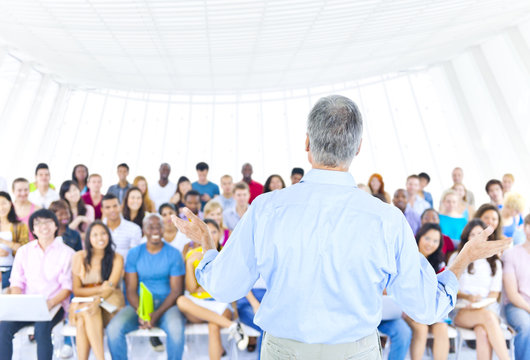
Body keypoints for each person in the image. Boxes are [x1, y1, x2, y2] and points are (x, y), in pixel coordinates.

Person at [172, 95, 510, 359]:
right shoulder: (386, 218)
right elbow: (426, 307)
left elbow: (224, 285)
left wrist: (208, 246)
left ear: (307, 143)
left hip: (283, 352)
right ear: (358, 147)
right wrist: (460, 262)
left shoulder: (266, 209)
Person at [106, 214, 186, 360]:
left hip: (167, 307)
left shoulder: (174, 254)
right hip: (139, 306)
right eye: (150, 227)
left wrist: (155, 315)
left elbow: (176, 291)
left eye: (158, 227)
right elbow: (130, 289)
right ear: (144, 230)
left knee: (176, 329)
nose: (155, 231)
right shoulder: (134, 254)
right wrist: (143, 313)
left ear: (163, 230)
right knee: (113, 329)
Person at [0, 209, 74, 360]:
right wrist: (18, 302)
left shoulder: (67, 253)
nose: (43, 226)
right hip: (26, 306)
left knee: (42, 329)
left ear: (55, 226)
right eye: (38, 223)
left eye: (47, 222)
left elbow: (67, 287)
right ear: (33, 229)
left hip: (54, 305)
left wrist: (50, 303)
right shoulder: (24, 251)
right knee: (3, 327)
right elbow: (16, 282)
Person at [177, 219, 248, 359]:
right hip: (199, 305)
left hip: (220, 303)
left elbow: (227, 286)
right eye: (205, 232)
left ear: (220, 233)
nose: (210, 236)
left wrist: (204, 287)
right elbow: (191, 289)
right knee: (181, 300)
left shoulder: (227, 254)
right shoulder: (193, 254)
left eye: (213, 232)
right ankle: (232, 326)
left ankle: (229, 325)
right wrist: (190, 263)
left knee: (213, 326)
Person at [449, 220, 510, 360]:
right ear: (467, 238)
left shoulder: (495, 263)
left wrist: (479, 304)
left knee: (482, 331)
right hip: (462, 309)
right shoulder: (456, 257)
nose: (477, 238)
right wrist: (469, 298)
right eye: (473, 234)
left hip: (487, 308)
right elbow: (450, 287)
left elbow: (494, 295)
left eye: (480, 234)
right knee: (487, 318)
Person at [70, 221, 124, 360]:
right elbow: (77, 290)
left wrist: (98, 299)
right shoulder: (79, 257)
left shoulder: (116, 257)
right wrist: (100, 288)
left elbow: (111, 287)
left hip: (109, 301)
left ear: (109, 236)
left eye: (103, 234)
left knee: (88, 312)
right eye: (95, 235)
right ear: (88, 238)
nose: (100, 238)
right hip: (85, 302)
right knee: (85, 314)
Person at [404, 223, 449, 360]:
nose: (430, 244)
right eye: (427, 238)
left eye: (435, 241)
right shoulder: (407, 257)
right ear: (419, 237)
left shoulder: (439, 264)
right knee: (421, 329)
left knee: (442, 328)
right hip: (408, 307)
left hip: (430, 308)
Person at [502, 214, 530, 360]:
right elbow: (512, 294)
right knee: (527, 328)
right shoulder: (511, 254)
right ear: (525, 228)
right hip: (517, 306)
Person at [0, 192, 29, 289]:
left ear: (10, 204)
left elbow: (24, 248)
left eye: (4, 203)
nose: (1, 207)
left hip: (12, 269)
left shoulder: (20, 225)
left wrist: (4, 241)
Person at [101, 193, 142, 260]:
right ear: (102, 210)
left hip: (126, 269)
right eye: (108, 207)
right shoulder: (98, 229)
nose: (112, 210)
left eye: (115, 206)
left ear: (120, 207)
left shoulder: (134, 229)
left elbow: (135, 257)